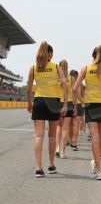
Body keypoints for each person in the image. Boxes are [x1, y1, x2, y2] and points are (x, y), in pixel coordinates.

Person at [73, 45, 101, 180]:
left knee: (95, 137)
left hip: (91, 105)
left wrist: (83, 101)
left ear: (92, 55)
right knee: (100, 137)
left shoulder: (86, 69)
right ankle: (96, 164)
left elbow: (75, 89)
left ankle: (99, 169)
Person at [27, 41, 67, 178]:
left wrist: (29, 103)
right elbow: (64, 84)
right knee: (51, 136)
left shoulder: (34, 67)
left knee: (38, 135)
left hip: (39, 101)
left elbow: (29, 88)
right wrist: (65, 104)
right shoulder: (56, 67)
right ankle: (51, 164)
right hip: (54, 102)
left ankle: (38, 168)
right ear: (50, 54)